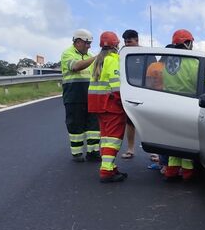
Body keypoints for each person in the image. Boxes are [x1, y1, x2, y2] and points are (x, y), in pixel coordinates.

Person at [88, 31, 128, 183]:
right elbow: (116, 85)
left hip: (98, 105)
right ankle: (106, 171)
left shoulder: (98, 60)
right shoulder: (113, 60)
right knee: (113, 139)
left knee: (105, 138)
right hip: (111, 105)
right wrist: (123, 102)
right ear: (116, 45)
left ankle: (111, 167)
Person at [162, 29, 199, 181]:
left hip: (169, 104)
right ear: (187, 43)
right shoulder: (193, 61)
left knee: (173, 140)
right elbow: (202, 83)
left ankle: (171, 171)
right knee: (187, 141)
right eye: (191, 42)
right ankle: (188, 173)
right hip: (188, 105)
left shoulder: (168, 62)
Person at [61, 29, 100, 162]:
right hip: (74, 96)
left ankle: (93, 152)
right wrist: (96, 58)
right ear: (78, 42)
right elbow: (76, 66)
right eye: (87, 43)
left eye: (90, 43)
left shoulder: (89, 54)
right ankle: (77, 153)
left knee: (93, 125)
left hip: (90, 95)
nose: (89, 46)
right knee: (75, 125)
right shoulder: (68, 54)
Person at [119, 29, 144, 160]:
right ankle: (130, 149)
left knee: (148, 122)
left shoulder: (146, 54)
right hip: (129, 93)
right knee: (130, 122)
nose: (127, 44)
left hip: (145, 93)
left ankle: (154, 152)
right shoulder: (122, 54)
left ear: (137, 40)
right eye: (125, 42)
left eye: (129, 41)